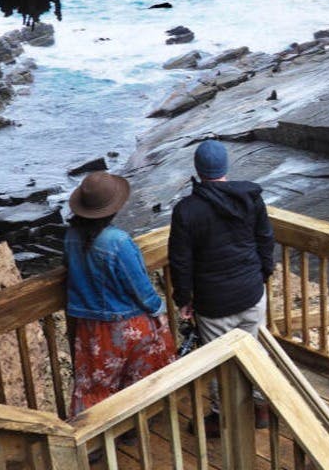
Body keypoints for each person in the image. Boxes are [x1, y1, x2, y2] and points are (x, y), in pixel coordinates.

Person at [168, 140, 275, 432]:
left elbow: (181, 262)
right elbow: (265, 239)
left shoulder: (186, 211)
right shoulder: (250, 197)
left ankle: (221, 415)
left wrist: (184, 299)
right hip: (252, 291)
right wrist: (263, 273)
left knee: (220, 361)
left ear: (199, 170)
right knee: (255, 348)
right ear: (225, 167)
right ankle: (261, 406)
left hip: (214, 303)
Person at [65, 171, 175, 416]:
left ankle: (91, 439)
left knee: (93, 386)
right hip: (127, 325)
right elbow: (140, 288)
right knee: (138, 380)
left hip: (90, 327)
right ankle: (133, 426)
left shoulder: (71, 236)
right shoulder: (118, 241)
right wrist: (159, 310)